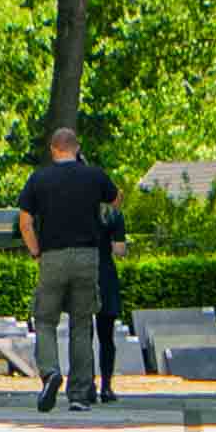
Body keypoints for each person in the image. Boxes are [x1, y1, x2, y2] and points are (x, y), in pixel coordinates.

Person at [16, 126, 129, 409]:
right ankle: (79, 394)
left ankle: (51, 372)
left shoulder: (39, 179)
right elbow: (116, 200)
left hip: (53, 256)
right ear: (77, 148)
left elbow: (25, 222)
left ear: (53, 150)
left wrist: (36, 251)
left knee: (45, 319)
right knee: (81, 323)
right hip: (87, 257)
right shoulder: (93, 176)